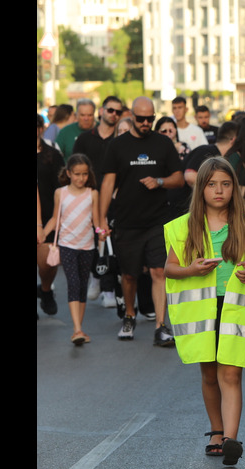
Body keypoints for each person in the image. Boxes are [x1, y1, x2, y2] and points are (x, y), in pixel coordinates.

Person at [164, 157, 245, 466]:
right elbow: (170, 269)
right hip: (203, 309)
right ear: (201, 189)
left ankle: (230, 439)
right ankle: (216, 430)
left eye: (225, 184)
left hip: (236, 309)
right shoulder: (185, 227)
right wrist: (191, 269)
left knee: (231, 372)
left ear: (234, 188)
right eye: (212, 185)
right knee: (210, 373)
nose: (219, 190)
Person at [99, 96, 184, 345]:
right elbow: (107, 183)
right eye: (141, 118)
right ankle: (129, 314)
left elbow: (178, 178)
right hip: (126, 221)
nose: (146, 122)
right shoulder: (117, 146)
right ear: (132, 116)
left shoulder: (163, 144)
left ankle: (160, 325)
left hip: (157, 219)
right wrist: (102, 219)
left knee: (159, 271)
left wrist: (159, 181)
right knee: (129, 275)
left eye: (150, 118)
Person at [41, 154, 102, 344]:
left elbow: (97, 221)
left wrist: (102, 232)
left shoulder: (92, 193)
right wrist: (43, 233)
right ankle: (76, 330)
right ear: (68, 173)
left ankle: (80, 328)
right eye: (76, 174)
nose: (81, 178)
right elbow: (54, 218)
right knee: (74, 283)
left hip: (87, 246)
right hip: (66, 244)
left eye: (84, 174)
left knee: (82, 285)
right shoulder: (61, 193)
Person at [38, 114, 66, 315]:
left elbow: (62, 189)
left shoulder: (52, 155)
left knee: (48, 263)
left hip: (48, 217)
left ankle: (45, 290)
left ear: (41, 129)